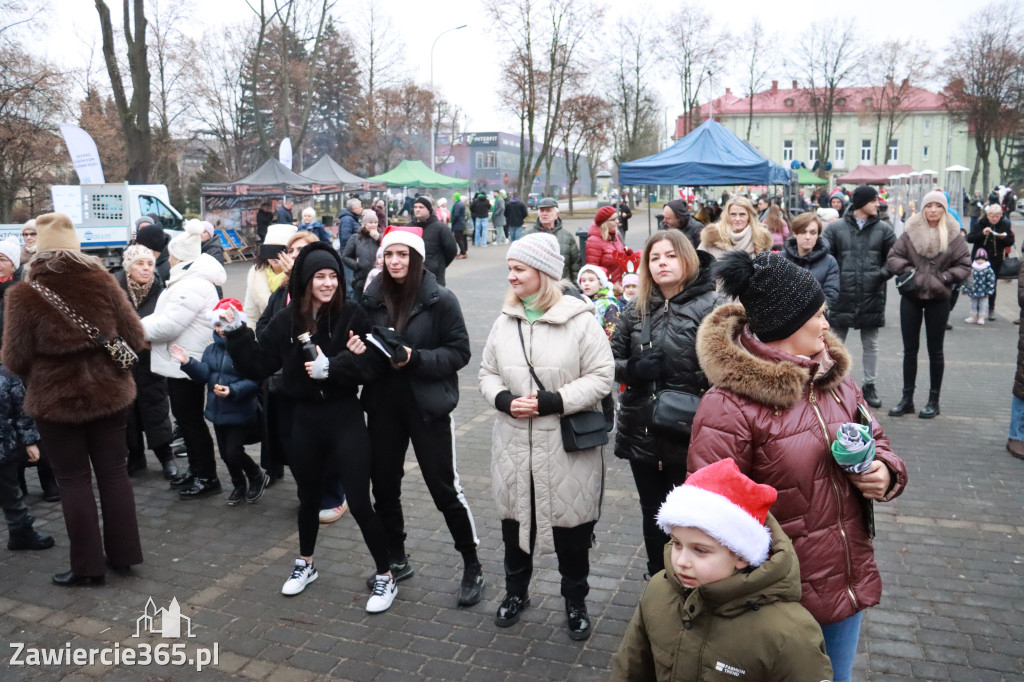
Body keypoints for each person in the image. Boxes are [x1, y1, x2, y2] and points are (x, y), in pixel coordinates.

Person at [688, 250, 908, 681]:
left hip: (845, 584)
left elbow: (877, 440)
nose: (827, 324)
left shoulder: (835, 380)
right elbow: (710, 520)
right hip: (776, 602)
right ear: (787, 325)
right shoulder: (728, 406)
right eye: (820, 315)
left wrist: (885, 471)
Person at [221, 242, 396, 611]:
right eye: (320, 276)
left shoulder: (353, 315)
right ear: (305, 280)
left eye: (333, 276)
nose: (328, 283)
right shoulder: (288, 320)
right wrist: (236, 332)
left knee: (361, 501)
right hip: (303, 419)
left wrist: (336, 366)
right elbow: (256, 364)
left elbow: (374, 369)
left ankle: (385, 577)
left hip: (345, 417)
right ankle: (306, 564)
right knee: (308, 499)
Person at [479, 232, 614, 640]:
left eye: (519, 269)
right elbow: (487, 373)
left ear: (543, 273)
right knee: (515, 525)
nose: (512, 277)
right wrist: (504, 399)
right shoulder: (505, 322)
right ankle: (516, 592)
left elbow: (602, 377)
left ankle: (576, 600)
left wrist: (554, 401)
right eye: (509, 269)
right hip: (514, 446)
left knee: (571, 531)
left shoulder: (581, 321)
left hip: (566, 449)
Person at [2, 212, 147, 586]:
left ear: (39, 249)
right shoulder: (103, 282)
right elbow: (135, 336)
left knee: (73, 480)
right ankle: (125, 555)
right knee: (114, 474)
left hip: (55, 400)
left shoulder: (24, 294)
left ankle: (87, 567)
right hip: (110, 394)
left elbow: (14, 360)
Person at [610, 460, 834, 681]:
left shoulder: (789, 634)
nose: (681, 561)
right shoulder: (659, 590)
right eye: (677, 543)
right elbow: (631, 668)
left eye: (700, 550)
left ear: (740, 556)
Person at [360, 225, 482, 608]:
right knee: (384, 486)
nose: (395, 262)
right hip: (383, 406)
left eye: (403, 255)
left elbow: (460, 351)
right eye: (389, 255)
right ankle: (397, 557)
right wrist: (358, 351)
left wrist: (417, 359)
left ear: (416, 259)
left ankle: (471, 563)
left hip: (427, 407)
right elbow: (362, 347)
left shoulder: (439, 298)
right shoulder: (370, 298)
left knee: (444, 488)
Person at [611, 230, 719, 577]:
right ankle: (658, 576)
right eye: (654, 258)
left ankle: (689, 578)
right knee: (652, 510)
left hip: (692, 432)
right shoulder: (635, 309)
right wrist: (633, 369)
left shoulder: (714, 308)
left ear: (687, 258)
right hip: (642, 428)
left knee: (690, 516)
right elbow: (604, 362)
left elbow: (732, 369)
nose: (662, 263)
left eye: (670, 256)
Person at [142, 220, 228, 499]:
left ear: (180, 256)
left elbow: (169, 325)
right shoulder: (189, 280)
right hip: (183, 359)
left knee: (190, 421)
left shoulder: (191, 283)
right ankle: (197, 470)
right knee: (187, 419)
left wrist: (135, 327)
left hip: (186, 361)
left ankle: (206, 476)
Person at [172, 299, 268, 506]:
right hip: (218, 411)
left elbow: (255, 379)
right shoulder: (211, 350)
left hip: (241, 410)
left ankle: (256, 475)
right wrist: (188, 363)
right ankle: (238, 485)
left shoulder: (247, 348)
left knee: (234, 451)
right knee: (225, 454)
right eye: (217, 324)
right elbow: (205, 374)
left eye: (226, 324)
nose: (221, 329)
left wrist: (233, 390)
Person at [886, 190, 971, 419]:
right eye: (929, 206)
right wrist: (909, 273)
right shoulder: (910, 231)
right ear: (923, 209)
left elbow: (965, 264)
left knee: (936, 351)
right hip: (911, 296)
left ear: (944, 209)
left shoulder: (953, 234)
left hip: (939, 298)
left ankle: (934, 401)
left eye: (938, 206)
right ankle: (907, 399)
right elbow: (893, 257)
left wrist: (945, 277)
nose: (933, 210)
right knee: (909, 350)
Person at [822, 185, 896, 410]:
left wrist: (879, 276)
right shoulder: (835, 228)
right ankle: (829, 383)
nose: (878, 204)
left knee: (871, 343)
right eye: (874, 200)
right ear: (861, 203)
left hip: (871, 294)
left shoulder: (884, 229)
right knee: (833, 342)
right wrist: (836, 280)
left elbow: (894, 258)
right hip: (842, 294)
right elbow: (825, 257)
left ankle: (870, 385)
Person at [115, 245, 177, 480]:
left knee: (157, 408)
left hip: (153, 363)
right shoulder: (115, 290)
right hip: (122, 363)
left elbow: (167, 324)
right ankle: (136, 456)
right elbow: (107, 328)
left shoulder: (161, 291)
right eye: (140, 263)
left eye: (150, 264)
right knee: (127, 413)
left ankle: (166, 457)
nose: (146, 268)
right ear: (128, 266)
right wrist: (136, 344)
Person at [0, 366, 54, 552]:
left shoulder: (6, 375)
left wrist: (30, 442)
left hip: (3, 450)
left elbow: (22, 410)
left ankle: (20, 533)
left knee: (11, 495)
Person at [781, 212, 840, 308]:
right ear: (795, 233)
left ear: (818, 235)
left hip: (816, 318)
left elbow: (831, 296)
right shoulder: (781, 259)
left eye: (813, 233)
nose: (808, 237)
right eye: (803, 232)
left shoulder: (829, 261)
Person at [967, 204, 1015, 320]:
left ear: (1001, 216)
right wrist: (982, 233)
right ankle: (976, 310)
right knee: (977, 283)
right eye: (992, 216)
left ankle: (991, 309)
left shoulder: (1005, 224)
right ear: (987, 215)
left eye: (997, 216)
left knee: (992, 284)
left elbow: (1010, 242)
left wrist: (1003, 237)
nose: (994, 218)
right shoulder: (981, 223)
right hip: (979, 259)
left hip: (996, 259)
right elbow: (970, 238)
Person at [243, 224, 297, 323]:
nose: (274, 256)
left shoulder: (298, 274)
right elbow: (251, 313)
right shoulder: (256, 273)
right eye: (270, 249)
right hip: (263, 332)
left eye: (280, 250)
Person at [698, 196, 772, 261]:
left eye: (742, 214)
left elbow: (766, 270)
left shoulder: (761, 237)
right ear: (727, 216)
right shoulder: (712, 236)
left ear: (749, 216)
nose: (737, 219)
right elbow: (697, 265)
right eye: (733, 214)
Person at [525, 198, 581, 282]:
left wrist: (575, 289)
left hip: (562, 286)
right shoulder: (528, 236)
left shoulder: (567, 236)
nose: (544, 214)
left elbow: (575, 266)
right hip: (537, 286)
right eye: (542, 211)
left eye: (548, 211)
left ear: (556, 214)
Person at [410, 196, 458, 287]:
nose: (417, 210)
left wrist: (438, 264)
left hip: (434, 277)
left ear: (428, 209)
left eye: (421, 207)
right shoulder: (408, 227)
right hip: (412, 276)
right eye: (415, 207)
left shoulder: (440, 228)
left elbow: (451, 250)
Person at [585, 205, 633, 285]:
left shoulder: (616, 235)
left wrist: (628, 255)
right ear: (605, 222)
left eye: (617, 218)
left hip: (621, 286)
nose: (617, 221)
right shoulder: (593, 242)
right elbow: (592, 272)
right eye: (614, 219)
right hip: (606, 291)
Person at [342, 211, 382, 299]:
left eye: (375, 222)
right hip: (360, 280)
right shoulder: (356, 238)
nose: (373, 225)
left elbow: (388, 248)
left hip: (379, 280)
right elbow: (345, 256)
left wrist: (378, 238)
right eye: (370, 222)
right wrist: (357, 265)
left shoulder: (382, 236)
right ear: (364, 224)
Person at [576, 264, 619, 340]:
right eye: (583, 280)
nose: (586, 283)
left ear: (601, 284)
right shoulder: (580, 303)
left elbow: (613, 332)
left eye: (591, 280)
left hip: (601, 347)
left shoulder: (607, 304)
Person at [962, 248, 997, 325]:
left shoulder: (988, 270)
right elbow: (967, 279)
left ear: (986, 259)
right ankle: (973, 317)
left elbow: (991, 281)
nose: (980, 261)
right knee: (973, 303)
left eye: (982, 259)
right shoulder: (972, 268)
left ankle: (981, 317)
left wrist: (989, 291)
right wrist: (965, 289)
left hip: (983, 291)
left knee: (983, 304)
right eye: (978, 259)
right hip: (973, 290)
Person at [451, 192, 469, 258]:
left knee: (459, 239)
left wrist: (452, 221)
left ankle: (463, 253)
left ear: (455, 197)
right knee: (461, 238)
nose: (452, 198)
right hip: (461, 223)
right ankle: (462, 252)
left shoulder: (457, 205)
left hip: (458, 224)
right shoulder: (460, 203)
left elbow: (456, 215)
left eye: (453, 197)